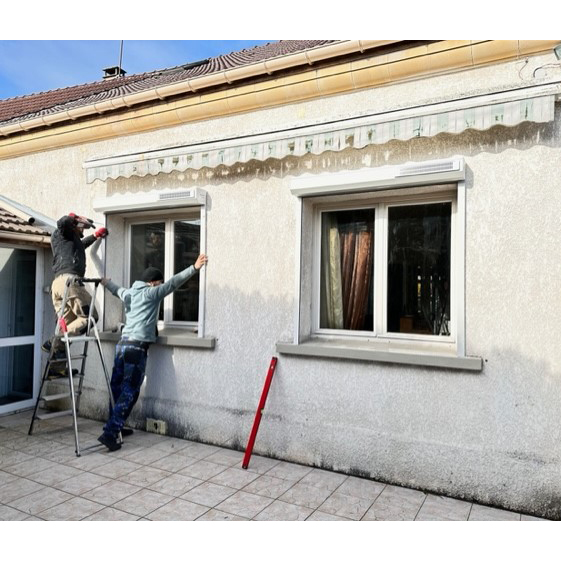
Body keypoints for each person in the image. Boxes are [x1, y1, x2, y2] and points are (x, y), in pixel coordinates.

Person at [97, 253, 208, 451]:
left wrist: (106, 282)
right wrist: (194, 267)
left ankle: (116, 425)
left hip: (122, 345)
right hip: (137, 347)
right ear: (153, 282)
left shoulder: (129, 293)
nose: (160, 286)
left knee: (116, 387)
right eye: (158, 283)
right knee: (130, 390)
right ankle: (110, 433)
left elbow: (116, 290)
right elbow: (173, 284)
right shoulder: (151, 293)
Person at [44, 213, 108, 374]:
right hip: (70, 283)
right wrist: (73, 218)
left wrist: (95, 236)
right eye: (82, 227)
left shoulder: (69, 242)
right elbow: (62, 222)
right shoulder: (63, 233)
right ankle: (53, 341)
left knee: (68, 325)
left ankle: (56, 369)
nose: (83, 231)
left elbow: (81, 245)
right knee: (91, 318)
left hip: (60, 285)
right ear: (75, 226)